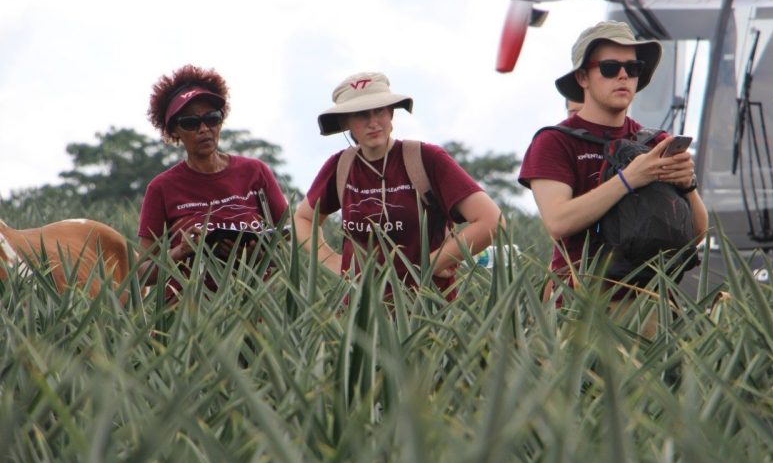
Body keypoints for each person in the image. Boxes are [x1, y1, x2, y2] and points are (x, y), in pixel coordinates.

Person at [518, 21, 708, 310]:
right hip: (576, 303)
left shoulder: (657, 142)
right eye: (609, 68)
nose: (623, 75)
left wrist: (688, 185)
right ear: (583, 77)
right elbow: (558, 222)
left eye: (633, 68)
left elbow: (694, 236)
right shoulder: (554, 142)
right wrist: (630, 178)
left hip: (650, 304)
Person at [294, 72, 503, 300]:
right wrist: (331, 261)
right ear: (346, 122)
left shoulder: (426, 158)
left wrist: (431, 265)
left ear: (391, 113)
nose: (373, 122)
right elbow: (303, 219)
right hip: (359, 309)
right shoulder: (340, 166)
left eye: (380, 111)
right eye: (361, 114)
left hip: (427, 309)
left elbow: (492, 221)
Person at [137, 64, 288, 300]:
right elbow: (142, 274)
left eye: (212, 118)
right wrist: (181, 251)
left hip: (256, 308)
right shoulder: (161, 188)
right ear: (174, 130)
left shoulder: (255, 172)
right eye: (190, 123)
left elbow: (291, 245)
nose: (204, 129)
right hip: (187, 314)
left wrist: (256, 253)